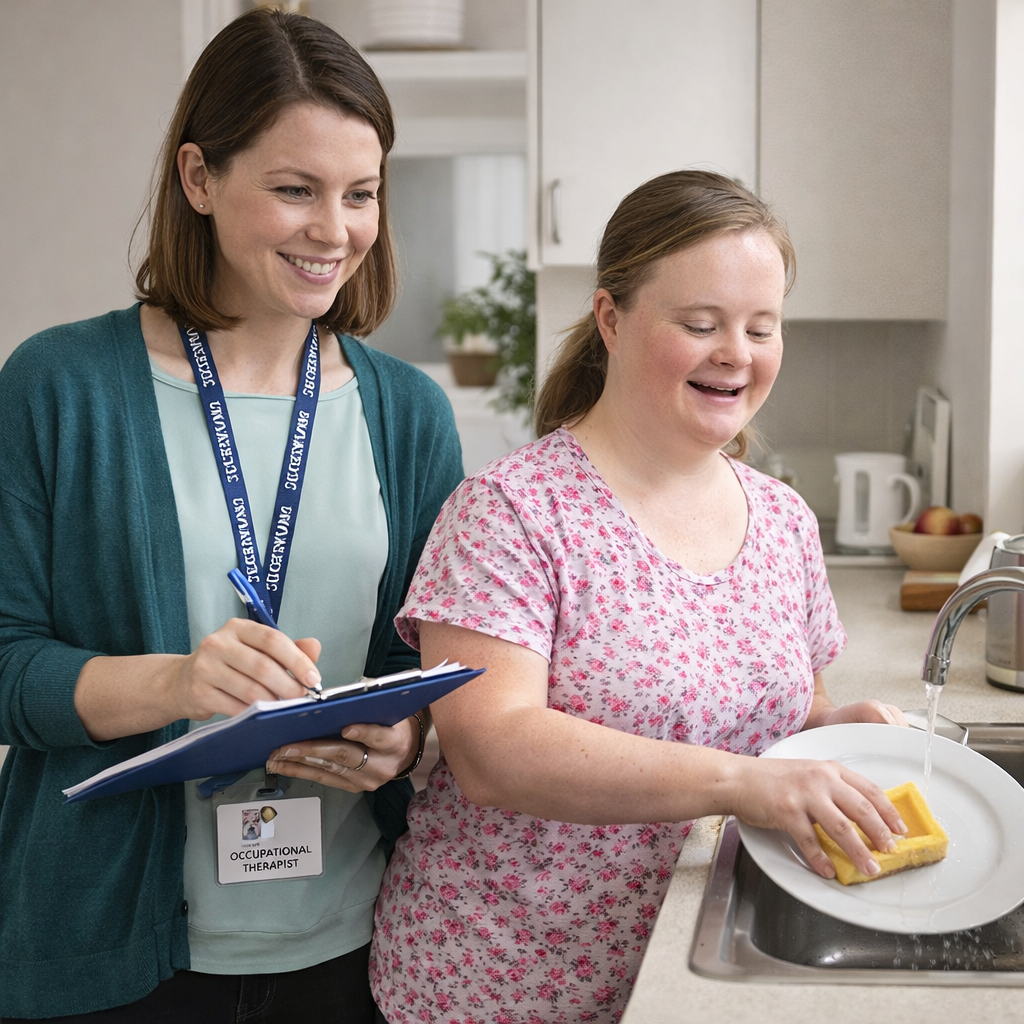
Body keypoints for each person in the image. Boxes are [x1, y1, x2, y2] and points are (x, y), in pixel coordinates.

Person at [0, 9, 462, 1022]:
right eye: (294, 189)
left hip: (352, 941)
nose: (333, 230)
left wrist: (411, 732)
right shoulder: (57, 386)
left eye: (360, 194)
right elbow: (6, 665)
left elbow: (435, 667)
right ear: (199, 178)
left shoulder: (409, 413)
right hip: (110, 957)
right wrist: (175, 682)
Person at [369, 170, 909, 1023]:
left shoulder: (783, 519)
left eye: (761, 328)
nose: (737, 351)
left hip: (689, 969)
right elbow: (492, 752)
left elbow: (785, 712)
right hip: (501, 985)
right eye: (701, 324)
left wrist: (838, 740)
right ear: (611, 320)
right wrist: (741, 784)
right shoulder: (512, 512)